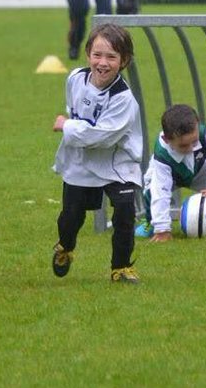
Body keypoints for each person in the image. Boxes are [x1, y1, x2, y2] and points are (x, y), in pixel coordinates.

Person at [51, 23, 144, 284]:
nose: (103, 63)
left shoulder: (123, 98)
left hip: (116, 161)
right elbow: (74, 109)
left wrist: (67, 125)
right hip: (82, 159)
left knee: (125, 210)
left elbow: (102, 136)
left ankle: (121, 267)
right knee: (71, 216)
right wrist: (72, 123)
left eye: (112, 57)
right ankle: (65, 247)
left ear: (124, 61)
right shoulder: (75, 78)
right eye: (97, 55)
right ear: (88, 54)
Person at [134, 103, 206, 241]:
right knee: (151, 192)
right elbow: (160, 191)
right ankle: (151, 224)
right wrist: (162, 229)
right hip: (170, 176)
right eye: (184, 145)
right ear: (167, 140)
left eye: (195, 142)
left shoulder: (205, 135)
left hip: (199, 170)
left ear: (198, 126)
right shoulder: (162, 155)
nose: (191, 148)